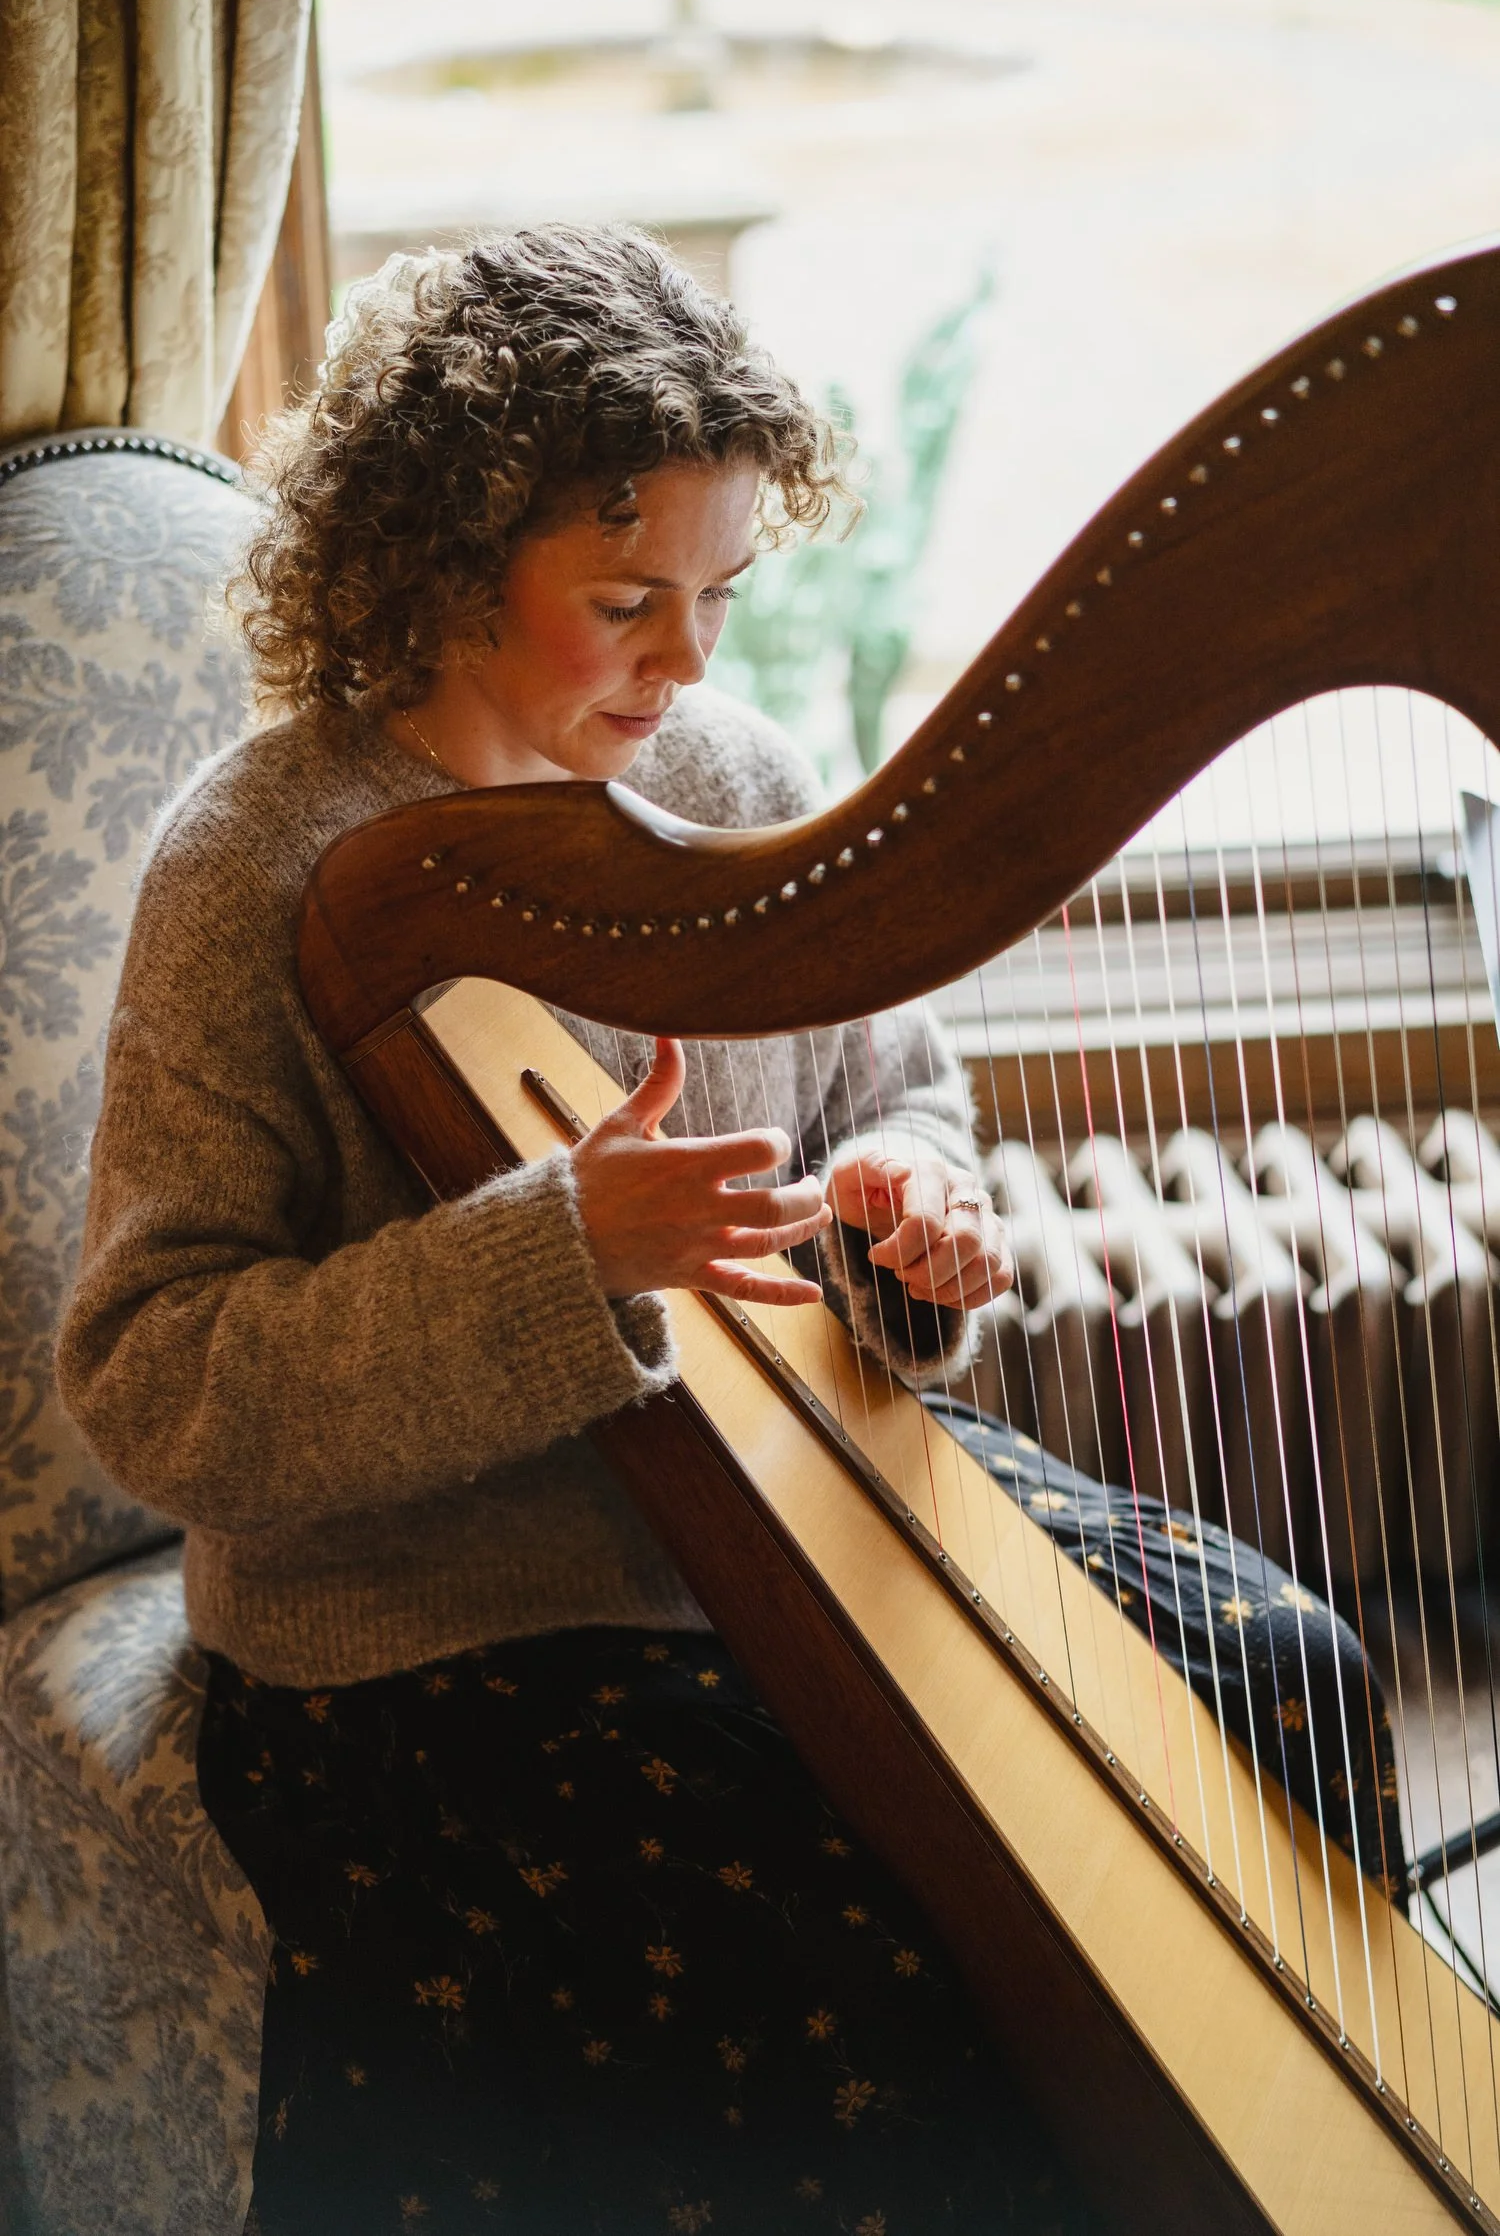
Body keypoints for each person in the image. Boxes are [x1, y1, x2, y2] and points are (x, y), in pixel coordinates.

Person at [57, 225, 1397, 2236]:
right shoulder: (250, 869)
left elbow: (893, 1097)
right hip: (426, 1622)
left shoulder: (730, 773)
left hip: (804, 1501)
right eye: (627, 601)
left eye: (723, 594)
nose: (691, 659)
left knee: (1290, 1670)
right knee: (870, 1915)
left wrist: (914, 1219)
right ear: (433, 568)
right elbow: (154, 1389)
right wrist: (557, 1255)